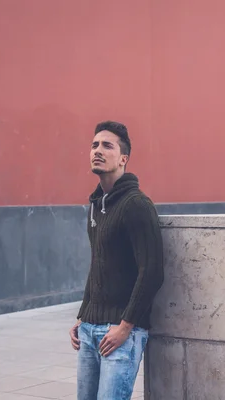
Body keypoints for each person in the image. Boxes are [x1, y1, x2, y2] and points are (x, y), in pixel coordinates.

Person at [70, 121, 164, 400]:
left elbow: (152, 272)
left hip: (120, 334)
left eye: (107, 146)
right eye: (94, 145)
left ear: (123, 158)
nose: (97, 150)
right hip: (89, 331)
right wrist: (82, 315)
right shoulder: (97, 206)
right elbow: (98, 264)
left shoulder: (136, 204)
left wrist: (125, 327)